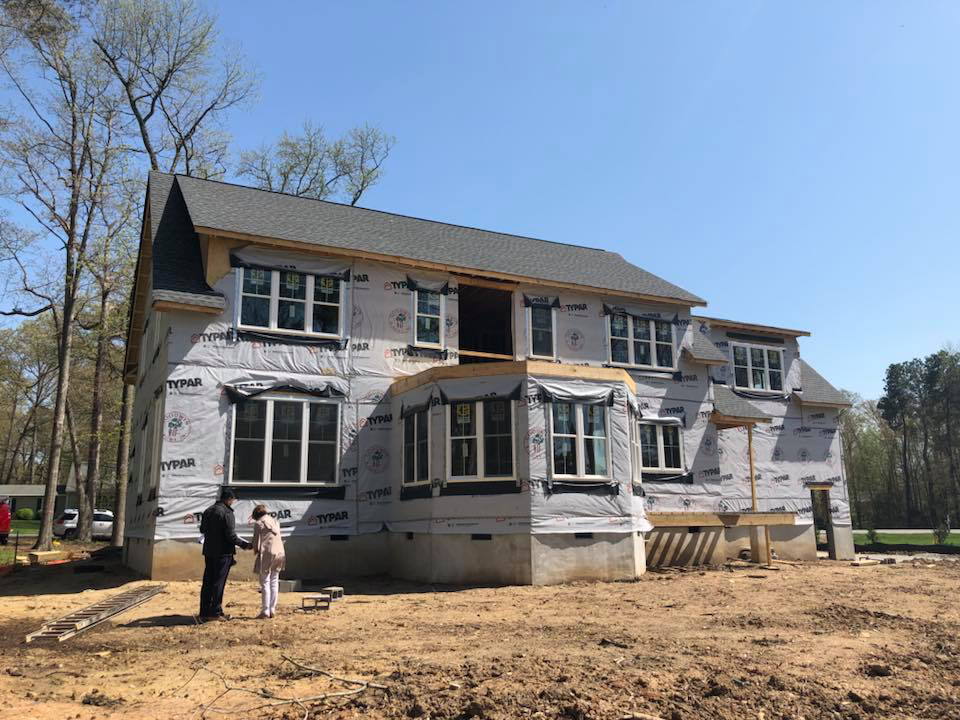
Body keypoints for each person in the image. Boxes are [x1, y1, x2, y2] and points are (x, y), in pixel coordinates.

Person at [198, 489, 251, 622]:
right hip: (223, 553)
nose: (233, 502)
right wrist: (245, 545)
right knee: (218, 583)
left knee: (208, 582)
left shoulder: (208, 510)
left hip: (209, 551)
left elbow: (202, 529)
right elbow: (231, 536)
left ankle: (204, 612)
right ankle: (215, 612)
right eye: (232, 500)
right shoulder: (227, 513)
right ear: (229, 499)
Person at [251, 504, 286, 619]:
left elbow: (256, 542)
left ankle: (265, 611)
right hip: (280, 552)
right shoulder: (275, 521)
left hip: (267, 554)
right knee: (274, 580)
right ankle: (272, 609)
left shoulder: (259, 523)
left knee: (265, 581)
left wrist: (254, 549)